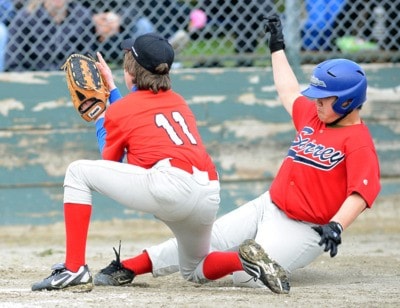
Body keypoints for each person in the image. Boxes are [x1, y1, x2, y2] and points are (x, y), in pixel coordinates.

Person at [92, 14, 381, 289]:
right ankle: (128, 266)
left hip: (307, 228)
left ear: (346, 102)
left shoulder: (358, 141)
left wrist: (337, 226)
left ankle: (252, 260)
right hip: (269, 205)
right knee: (208, 241)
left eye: (324, 98)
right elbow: (289, 91)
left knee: (249, 278)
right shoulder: (315, 117)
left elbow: (361, 192)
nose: (315, 102)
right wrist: (277, 47)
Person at [30, 32, 290, 294]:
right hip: (208, 191)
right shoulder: (178, 101)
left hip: (171, 186)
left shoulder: (122, 110)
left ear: (131, 71)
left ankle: (74, 268)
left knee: (77, 172)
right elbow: (135, 113)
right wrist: (112, 93)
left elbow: (111, 160)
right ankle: (244, 261)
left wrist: (100, 115)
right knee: (195, 269)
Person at [5, 0, 94, 71]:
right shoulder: (25, 18)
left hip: (72, 77)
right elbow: (13, 63)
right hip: (34, 77)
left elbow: (88, 58)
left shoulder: (82, 16)